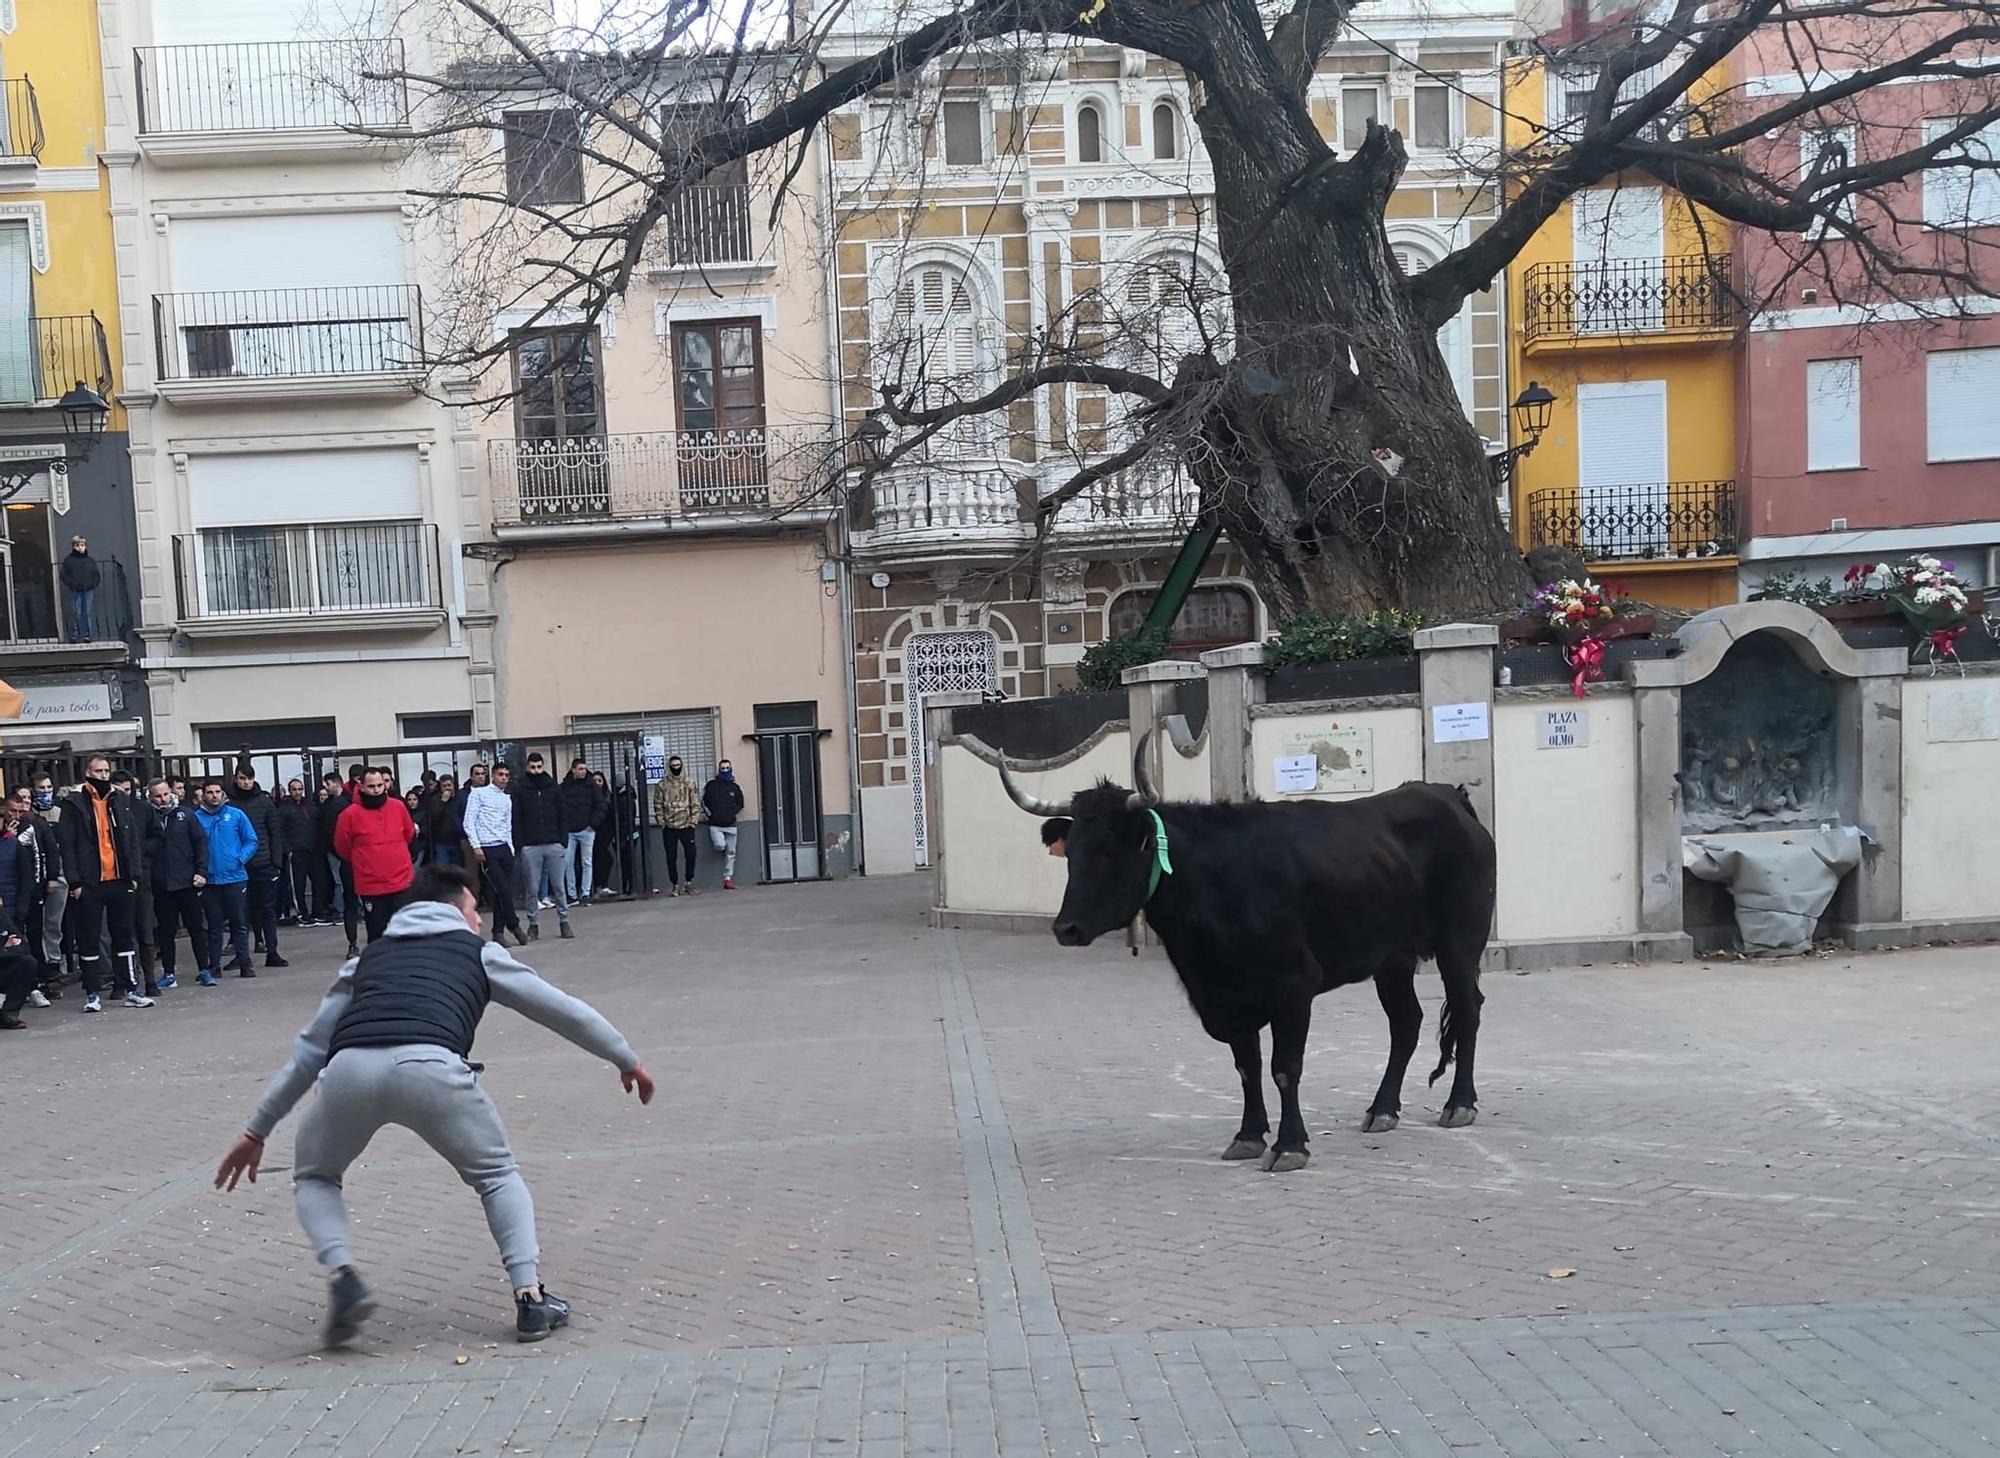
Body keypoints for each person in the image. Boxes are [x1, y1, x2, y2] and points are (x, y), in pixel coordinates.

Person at [213, 863, 656, 1345]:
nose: (480, 920)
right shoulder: (480, 953)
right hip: (432, 1069)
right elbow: (559, 1008)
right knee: (496, 1176)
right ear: (456, 907)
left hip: (348, 1071)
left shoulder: (366, 961)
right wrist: (625, 1058)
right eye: (474, 909)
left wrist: (257, 1131)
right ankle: (530, 1299)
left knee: (316, 1176)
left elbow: (307, 1053)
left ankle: (344, 1276)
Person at [54, 754, 151, 1012]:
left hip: (119, 878)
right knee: (89, 938)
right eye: (98, 771)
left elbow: (131, 839)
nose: (103, 775)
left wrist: (134, 875)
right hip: (90, 882)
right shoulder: (74, 803)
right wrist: (75, 882)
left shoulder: (120, 799)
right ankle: (92, 993)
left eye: (107, 771)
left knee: (124, 936)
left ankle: (130, 987)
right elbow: (68, 845)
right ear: (88, 772)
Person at [334, 766, 417, 943]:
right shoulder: (349, 815)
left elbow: (408, 834)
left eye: (380, 785)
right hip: (371, 884)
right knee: (377, 934)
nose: (377, 789)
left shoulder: (398, 806)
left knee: (404, 932)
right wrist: (364, 861)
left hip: (400, 880)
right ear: (361, 786)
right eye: (372, 786)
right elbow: (342, 847)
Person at [143, 779, 210, 991]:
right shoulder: (146, 817)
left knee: (197, 928)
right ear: (150, 797)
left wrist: (200, 872)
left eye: (165, 794)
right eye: (157, 796)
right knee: (166, 932)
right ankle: (169, 973)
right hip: (162, 885)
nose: (162, 799)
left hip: (187, 881)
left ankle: (205, 970)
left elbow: (200, 843)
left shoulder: (186, 814)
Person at [195, 778, 259, 984]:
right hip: (210, 880)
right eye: (210, 792)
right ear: (203, 795)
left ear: (223, 794)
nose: (214, 796)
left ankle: (245, 962)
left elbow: (251, 840)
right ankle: (214, 965)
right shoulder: (196, 818)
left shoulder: (236, 815)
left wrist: (240, 859)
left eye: (217, 792)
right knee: (214, 926)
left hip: (235, 877)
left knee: (239, 923)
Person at [230, 766, 289, 968]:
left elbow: (275, 832)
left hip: (264, 864)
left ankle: (272, 952)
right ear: (236, 779)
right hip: (238, 866)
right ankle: (241, 955)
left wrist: (276, 863)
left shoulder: (264, 802)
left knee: (268, 910)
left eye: (249, 778)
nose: (246, 782)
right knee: (241, 913)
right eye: (242, 778)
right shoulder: (229, 803)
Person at [8, 784, 62, 998]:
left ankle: (39, 981)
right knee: (14, 939)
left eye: (24, 804)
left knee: (35, 934)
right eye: (15, 808)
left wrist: (50, 878)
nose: (19, 812)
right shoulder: (7, 832)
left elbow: (47, 852)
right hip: (10, 893)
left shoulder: (35, 824)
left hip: (32, 889)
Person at [511, 754, 572, 941]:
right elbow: (516, 818)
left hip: (553, 842)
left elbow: (563, 814)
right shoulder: (520, 789)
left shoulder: (553, 788)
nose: (536, 771)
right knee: (532, 887)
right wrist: (520, 843)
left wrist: (563, 841)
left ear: (543, 766)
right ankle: (533, 924)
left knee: (558, 886)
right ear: (527, 767)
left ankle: (564, 922)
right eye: (532, 767)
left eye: (539, 767)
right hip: (530, 844)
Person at [465, 764, 525, 946]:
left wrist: (511, 848)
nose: (504, 778)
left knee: (502, 891)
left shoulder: (507, 799)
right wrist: (476, 846)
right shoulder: (478, 794)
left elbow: (508, 825)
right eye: (500, 774)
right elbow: (469, 822)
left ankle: (498, 932)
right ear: (492, 776)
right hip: (487, 847)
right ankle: (513, 924)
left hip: (504, 847)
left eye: (507, 775)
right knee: (502, 889)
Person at [28, 772, 67, 979]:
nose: (45, 792)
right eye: (41, 788)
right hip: (35, 874)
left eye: (48, 787)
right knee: (36, 922)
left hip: (57, 872)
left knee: (54, 921)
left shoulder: (60, 813)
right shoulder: (29, 815)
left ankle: (54, 960)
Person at [314, 771, 356, 953]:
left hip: (339, 849)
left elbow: (331, 829)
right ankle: (341, 911)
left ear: (335, 784)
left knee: (342, 883)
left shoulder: (338, 804)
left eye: (327, 784)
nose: (325, 788)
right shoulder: (344, 802)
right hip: (338, 850)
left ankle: (342, 912)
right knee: (341, 883)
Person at [557, 759, 607, 907]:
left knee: (586, 862)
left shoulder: (591, 786)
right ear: (573, 770)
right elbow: (558, 806)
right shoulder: (565, 787)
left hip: (587, 829)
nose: (583, 771)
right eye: (580, 769)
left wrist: (593, 824)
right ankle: (572, 894)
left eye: (584, 768)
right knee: (568, 862)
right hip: (570, 830)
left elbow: (601, 805)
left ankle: (585, 893)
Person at [652, 755, 701, 897]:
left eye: (678, 765)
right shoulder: (662, 785)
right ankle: (675, 885)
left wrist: (693, 821)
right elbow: (657, 804)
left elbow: (695, 803)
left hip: (687, 825)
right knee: (671, 857)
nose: (676, 768)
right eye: (673, 765)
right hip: (669, 827)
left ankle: (689, 882)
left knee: (691, 854)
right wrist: (661, 822)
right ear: (669, 767)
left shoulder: (689, 783)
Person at [701, 759, 745, 891]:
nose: (725, 770)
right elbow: (703, 801)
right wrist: (710, 814)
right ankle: (722, 847)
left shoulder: (734, 787)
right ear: (719, 770)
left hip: (731, 825)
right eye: (723, 768)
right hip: (715, 824)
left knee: (731, 853)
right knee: (720, 845)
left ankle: (727, 878)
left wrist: (732, 812)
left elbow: (740, 803)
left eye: (727, 768)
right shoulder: (711, 785)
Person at [277, 780, 316, 926]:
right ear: (289, 790)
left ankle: (316, 913)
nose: (297, 792)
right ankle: (302, 913)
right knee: (297, 885)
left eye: (300, 789)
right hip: (295, 851)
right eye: (294, 789)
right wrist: (287, 849)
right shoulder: (284, 809)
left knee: (318, 882)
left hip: (311, 850)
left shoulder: (310, 806)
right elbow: (280, 831)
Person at [60, 534, 101, 642]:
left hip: (88, 590)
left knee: (86, 612)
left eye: (82, 545)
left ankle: (87, 635)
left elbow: (96, 575)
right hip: (74, 590)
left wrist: (93, 584)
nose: (80, 547)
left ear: (85, 546)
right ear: (73, 546)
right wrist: (71, 584)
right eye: (77, 545)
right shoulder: (69, 560)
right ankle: (74, 634)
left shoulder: (90, 561)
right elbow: (63, 575)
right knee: (74, 612)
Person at [426, 774, 467, 868]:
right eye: (444, 786)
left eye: (449, 785)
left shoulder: (459, 798)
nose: (447, 788)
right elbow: (433, 817)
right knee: (442, 871)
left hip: (458, 841)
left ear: (453, 785)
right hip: (441, 843)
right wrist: (442, 801)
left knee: (458, 870)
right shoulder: (435, 800)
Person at [588, 772, 616, 898]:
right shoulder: (590, 797)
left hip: (606, 833)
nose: (597, 783)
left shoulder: (608, 796)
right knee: (599, 859)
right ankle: (597, 887)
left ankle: (601, 886)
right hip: (593, 832)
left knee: (605, 859)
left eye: (600, 780)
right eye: (595, 780)